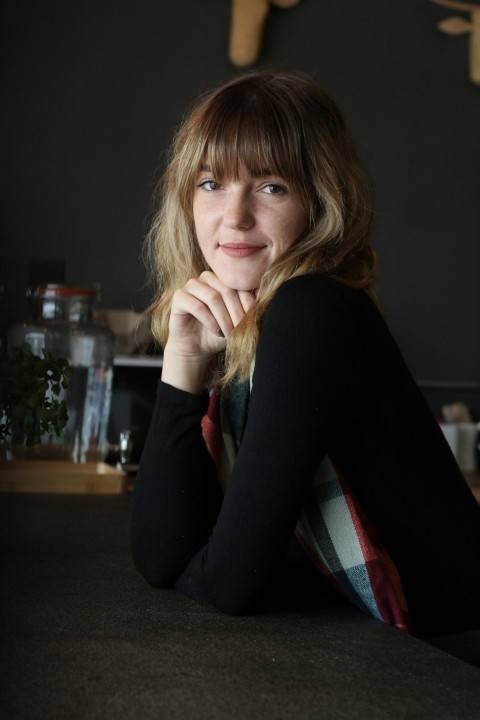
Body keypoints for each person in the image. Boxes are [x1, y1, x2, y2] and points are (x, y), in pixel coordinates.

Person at [131, 69, 480, 639]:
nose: (234, 217)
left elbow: (228, 585)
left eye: (271, 186)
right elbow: (160, 556)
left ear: (321, 200)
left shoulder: (309, 310)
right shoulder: (245, 325)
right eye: (211, 183)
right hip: (399, 654)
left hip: (455, 665)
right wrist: (184, 362)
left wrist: (202, 567)